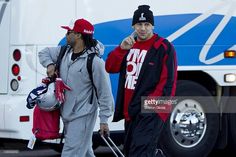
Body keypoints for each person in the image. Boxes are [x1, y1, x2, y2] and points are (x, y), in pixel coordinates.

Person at [105, 5, 177, 157]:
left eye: (147, 24)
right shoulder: (129, 44)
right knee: (132, 151)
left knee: (140, 152)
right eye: (139, 24)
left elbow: (169, 82)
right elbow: (110, 67)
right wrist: (121, 49)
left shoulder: (164, 47)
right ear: (133, 25)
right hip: (130, 112)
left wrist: (153, 109)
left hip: (150, 111)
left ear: (153, 25)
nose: (143, 28)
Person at [38, 18, 113, 157]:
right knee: (85, 153)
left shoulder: (95, 62)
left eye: (69, 32)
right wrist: (50, 65)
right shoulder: (64, 52)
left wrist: (104, 120)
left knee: (70, 153)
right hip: (67, 114)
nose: (66, 35)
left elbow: (105, 93)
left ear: (78, 35)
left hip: (83, 115)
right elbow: (43, 53)